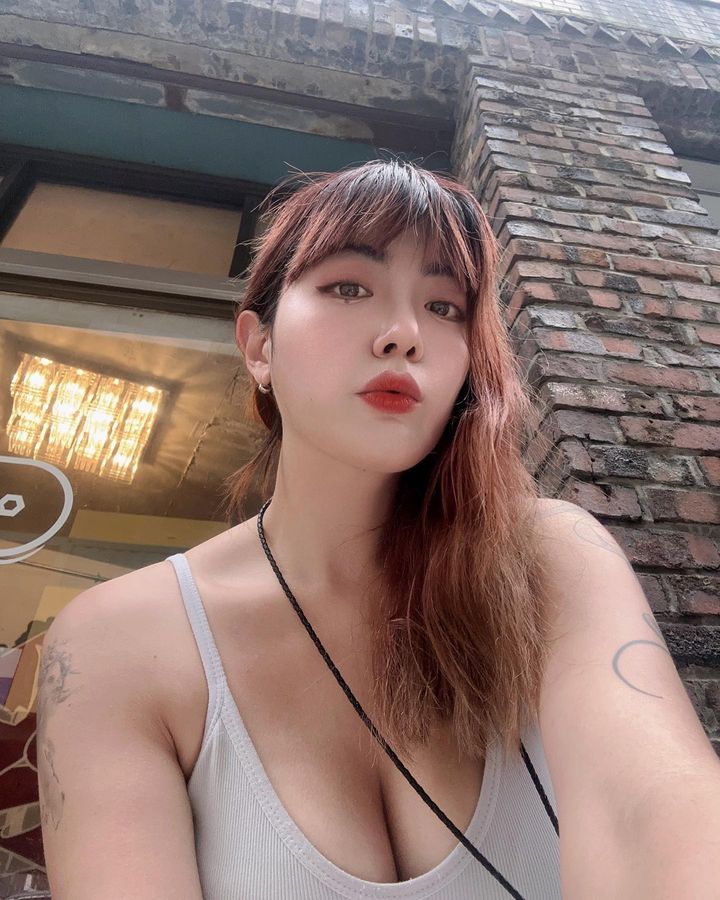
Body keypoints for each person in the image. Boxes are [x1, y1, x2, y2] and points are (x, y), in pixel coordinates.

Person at [37, 159, 720, 899]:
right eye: (348, 288)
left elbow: (650, 809)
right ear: (259, 347)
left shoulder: (551, 560)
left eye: (444, 306)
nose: (404, 334)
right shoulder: (121, 642)